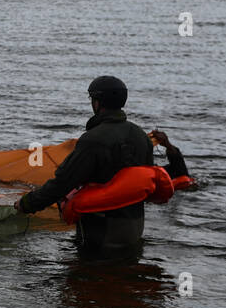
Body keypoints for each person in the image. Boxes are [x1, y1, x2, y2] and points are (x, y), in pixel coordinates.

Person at [15, 76, 154, 255]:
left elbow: (63, 183)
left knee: (89, 275)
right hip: (135, 226)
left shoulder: (93, 139)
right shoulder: (141, 135)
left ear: (97, 103)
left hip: (102, 229)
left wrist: (27, 203)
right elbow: (147, 178)